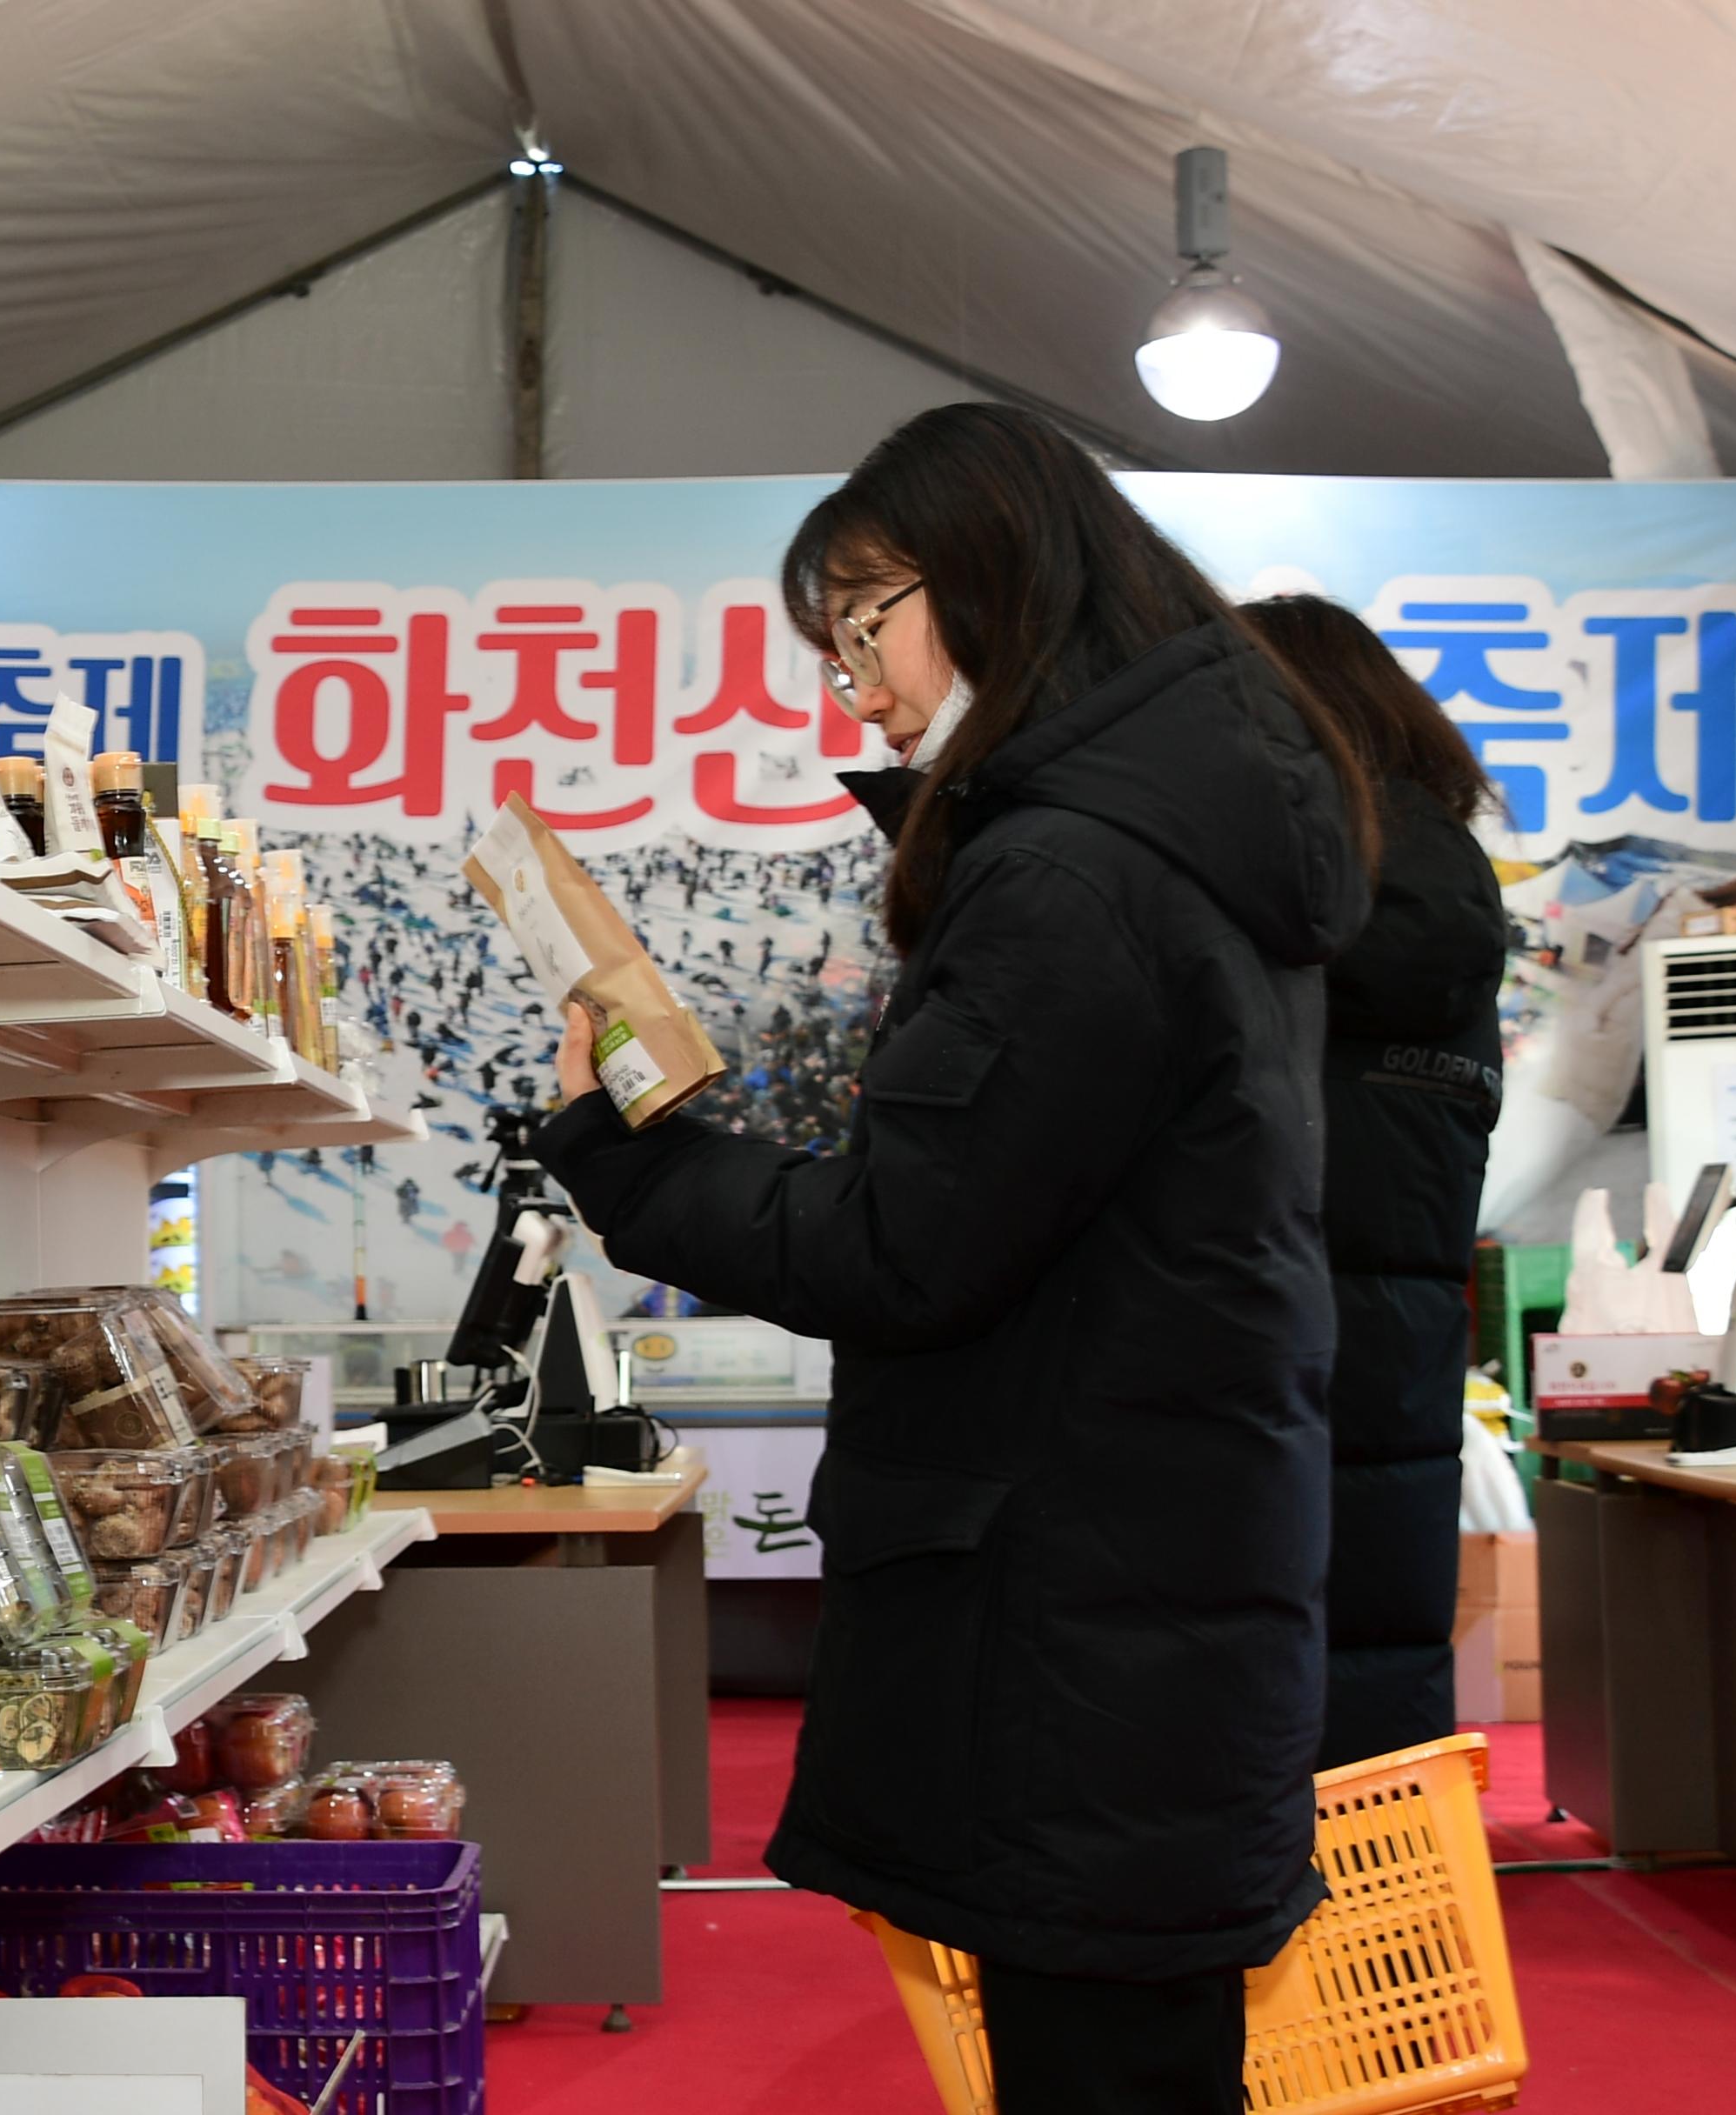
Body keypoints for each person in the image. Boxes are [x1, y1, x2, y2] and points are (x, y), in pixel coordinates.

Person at [538, 404, 1375, 2112]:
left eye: (865, 620)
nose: (849, 681)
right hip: (1144, 1588)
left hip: (1086, 1617)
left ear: (999, 578)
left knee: (1105, 2058)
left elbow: (904, 1243)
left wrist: (630, 1151)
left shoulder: (1070, 878)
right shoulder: (1170, 848)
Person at [1240, 594, 1510, 1770]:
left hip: (1268, 1349)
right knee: (1382, 1631)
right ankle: (1389, 1913)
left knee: (1279, 1646)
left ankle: (1311, 1922)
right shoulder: (1443, 892)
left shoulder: (1298, 899)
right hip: (1396, 1362)